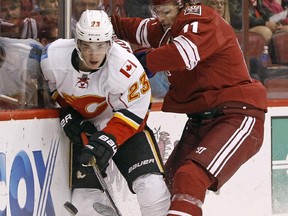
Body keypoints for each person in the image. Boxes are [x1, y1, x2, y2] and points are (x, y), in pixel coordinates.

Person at [111, 0, 267, 215]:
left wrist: (143, 61)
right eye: (157, 12)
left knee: (190, 176)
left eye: (166, 11)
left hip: (236, 115)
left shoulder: (201, 16)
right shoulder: (165, 28)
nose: (161, 18)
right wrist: (97, 26)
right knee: (167, 186)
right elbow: (129, 28)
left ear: (182, 6)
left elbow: (183, 54)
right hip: (200, 120)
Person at [40, 9, 170, 216]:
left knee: (152, 188)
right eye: (87, 46)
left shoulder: (127, 68)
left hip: (124, 126)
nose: (94, 54)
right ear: (77, 43)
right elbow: (57, 93)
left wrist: (108, 139)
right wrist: (68, 114)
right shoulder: (53, 58)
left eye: (100, 46)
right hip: (89, 126)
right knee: (84, 202)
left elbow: (138, 113)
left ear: (109, 44)